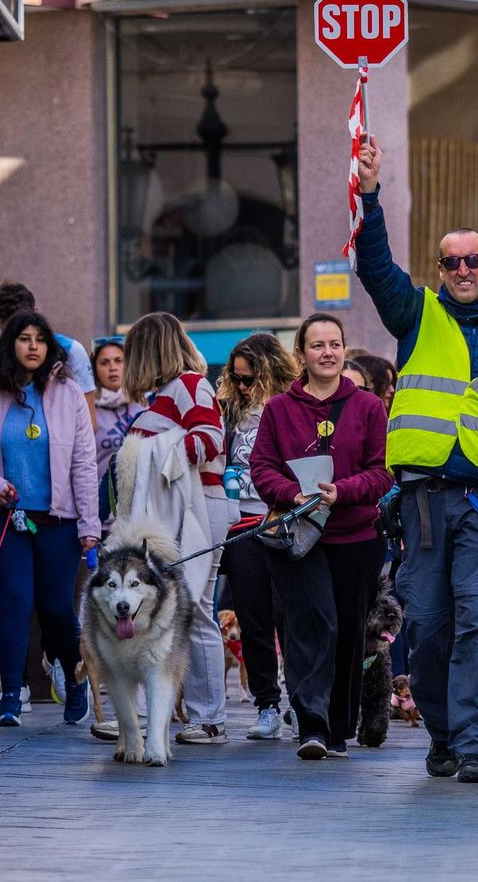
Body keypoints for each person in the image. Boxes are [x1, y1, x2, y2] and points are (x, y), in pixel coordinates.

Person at [352, 134, 478, 786]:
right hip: (422, 505)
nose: (463, 270)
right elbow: (374, 268)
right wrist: (370, 193)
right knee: (429, 629)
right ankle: (442, 735)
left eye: (473, 260)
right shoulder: (415, 315)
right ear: (440, 270)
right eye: (451, 262)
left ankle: (472, 747)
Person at [251, 315, 392, 760]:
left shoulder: (369, 407)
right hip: (298, 537)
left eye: (334, 344)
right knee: (311, 625)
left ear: (344, 349)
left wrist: (342, 491)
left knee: (349, 631)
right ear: (301, 355)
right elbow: (261, 468)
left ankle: (338, 729)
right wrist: (291, 494)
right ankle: (311, 724)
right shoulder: (278, 409)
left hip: (356, 536)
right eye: (317, 345)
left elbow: (383, 472)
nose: (327, 352)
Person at [0, 311, 97, 727]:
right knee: (14, 602)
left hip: (59, 521)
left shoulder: (69, 393)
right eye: (24, 338)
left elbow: (84, 464)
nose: (33, 346)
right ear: (9, 345)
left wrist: (90, 526)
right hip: (4, 519)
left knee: (56, 608)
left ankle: (74, 676)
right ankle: (11, 696)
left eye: (40, 338)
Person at [115, 312, 228, 746]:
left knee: (193, 608)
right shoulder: (168, 393)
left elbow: (210, 439)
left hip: (198, 506)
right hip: (179, 509)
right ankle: (165, 715)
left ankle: (209, 717)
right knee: (168, 611)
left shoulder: (189, 385)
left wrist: (152, 455)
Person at [218, 332, 300, 741]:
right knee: (252, 618)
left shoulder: (292, 407)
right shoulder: (230, 412)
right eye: (236, 378)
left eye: (249, 378)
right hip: (241, 524)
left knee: (291, 615)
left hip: (284, 519)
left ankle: (299, 703)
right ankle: (266, 703)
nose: (242, 386)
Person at [0, 281, 97, 425]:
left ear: (36, 313)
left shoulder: (71, 350)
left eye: (22, 327)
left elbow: (89, 424)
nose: (31, 346)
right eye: (8, 330)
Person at [92, 336, 144, 524]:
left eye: (118, 360)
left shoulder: (144, 403)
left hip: (141, 515)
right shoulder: (88, 409)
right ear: (94, 369)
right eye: (104, 362)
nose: (112, 367)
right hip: (102, 514)